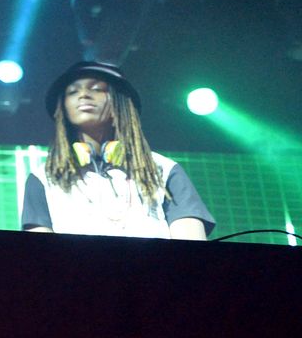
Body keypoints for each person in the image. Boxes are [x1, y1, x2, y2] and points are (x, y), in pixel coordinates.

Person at [21, 61, 215, 240]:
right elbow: (40, 255)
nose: (83, 95)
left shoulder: (163, 169)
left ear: (121, 102)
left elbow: (191, 248)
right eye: (72, 92)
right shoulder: (43, 178)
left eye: (96, 89)